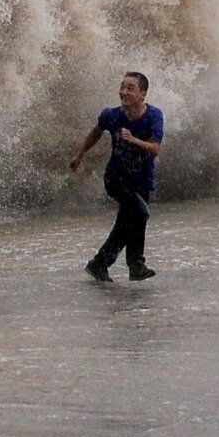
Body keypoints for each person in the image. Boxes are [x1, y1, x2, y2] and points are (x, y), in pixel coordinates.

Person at [68, 71, 163, 282]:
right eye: (122, 87)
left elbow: (155, 149)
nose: (124, 92)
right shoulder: (111, 115)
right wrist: (80, 154)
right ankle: (135, 264)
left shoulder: (154, 116)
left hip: (142, 179)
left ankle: (99, 264)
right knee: (139, 212)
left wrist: (134, 140)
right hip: (116, 179)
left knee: (127, 224)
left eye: (130, 88)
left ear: (143, 95)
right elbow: (96, 132)